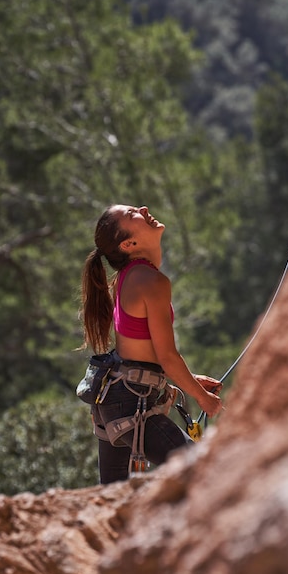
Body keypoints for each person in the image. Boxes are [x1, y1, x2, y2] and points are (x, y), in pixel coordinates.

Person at [80, 204, 222, 484]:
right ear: (129, 243)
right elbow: (166, 357)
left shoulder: (132, 275)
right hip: (131, 403)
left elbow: (142, 351)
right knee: (200, 478)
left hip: (114, 399)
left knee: (112, 500)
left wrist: (190, 380)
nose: (144, 209)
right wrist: (202, 398)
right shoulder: (150, 280)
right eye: (134, 214)